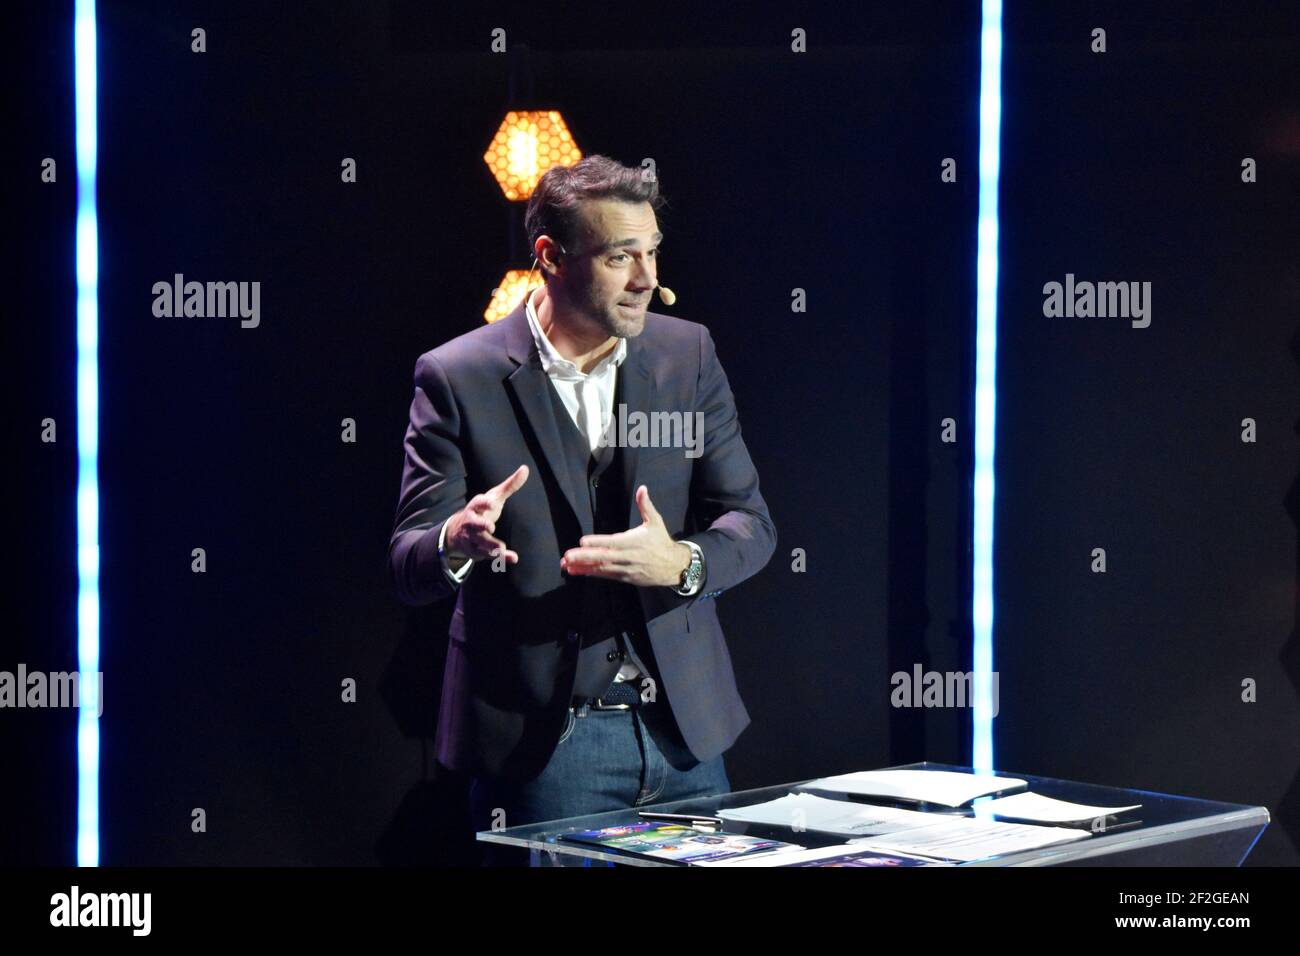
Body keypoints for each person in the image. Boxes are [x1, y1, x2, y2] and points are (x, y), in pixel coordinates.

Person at [388, 154, 776, 865]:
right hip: (544, 748)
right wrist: (455, 539)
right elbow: (409, 562)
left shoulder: (687, 354)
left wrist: (682, 562)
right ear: (551, 257)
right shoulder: (458, 375)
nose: (646, 279)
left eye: (653, 252)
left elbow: (750, 524)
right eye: (620, 255)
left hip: (684, 735)